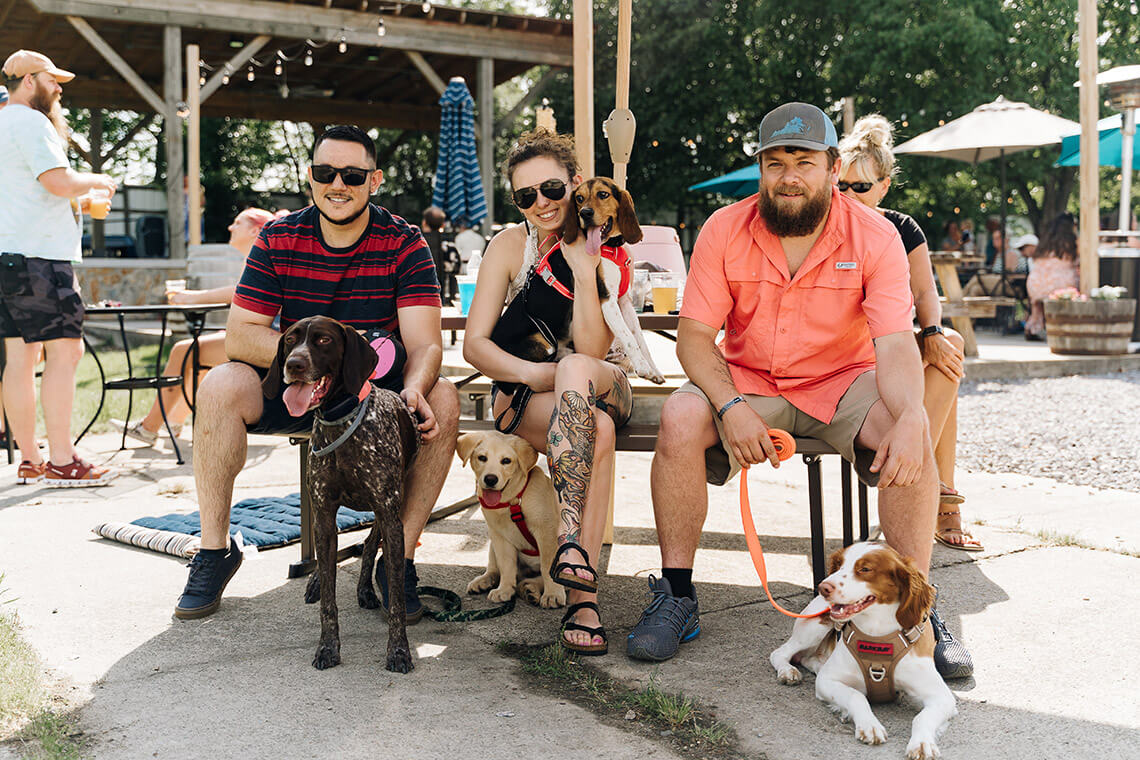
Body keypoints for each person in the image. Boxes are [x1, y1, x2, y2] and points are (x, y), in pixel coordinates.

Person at [629, 102, 973, 679]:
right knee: (681, 417)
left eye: (804, 162)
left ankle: (917, 611)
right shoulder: (722, 227)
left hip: (844, 383)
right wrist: (730, 405)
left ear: (833, 167)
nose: (789, 176)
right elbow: (692, 339)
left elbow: (893, 343)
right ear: (760, 169)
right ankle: (678, 596)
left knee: (906, 434)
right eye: (775, 162)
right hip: (750, 381)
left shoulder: (877, 235)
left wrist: (914, 415)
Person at [174, 125, 459, 620]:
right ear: (311, 177)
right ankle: (215, 551)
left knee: (447, 398)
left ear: (375, 180)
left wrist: (413, 389)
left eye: (352, 174)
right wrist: (303, 366)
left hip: (372, 396)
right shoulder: (279, 237)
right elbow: (242, 334)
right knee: (219, 383)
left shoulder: (405, 243)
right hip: (294, 386)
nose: (338, 184)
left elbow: (425, 343)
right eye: (326, 172)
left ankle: (398, 560)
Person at [463, 129, 633, 656]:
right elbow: (474, 345)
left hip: (600, 379)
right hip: (527, 392)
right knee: (595, 430)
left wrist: (585, 269)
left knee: (581, 377)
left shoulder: (605, 246)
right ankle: (582, 585)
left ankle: (574, 565)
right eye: (525, 195)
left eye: (552, 189)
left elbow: (590, 346)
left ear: (576, 184)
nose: (541, 203)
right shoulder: (508, 246)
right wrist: (537, 376)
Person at [837, 115, 981, 552]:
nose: (847, 196)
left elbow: (924, 290)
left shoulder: (901, 227)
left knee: (948, 347)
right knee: (945, 365)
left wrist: (933, 329)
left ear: (884, 185)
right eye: (840, 186)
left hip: (892, 347)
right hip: (850, 356)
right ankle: (935, 494)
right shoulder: (828, 226)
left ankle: (907, 476)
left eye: (859, 187)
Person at [0, 50, 118, 486]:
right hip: (39, 261)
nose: (60, 88)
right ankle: (64, 459)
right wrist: (97, 180)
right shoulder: (32, 123)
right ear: (29, 81)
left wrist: (77, 200)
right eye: (53, 80)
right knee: (66, 351)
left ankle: (31, 458)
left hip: (7, 257)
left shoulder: (1, 122)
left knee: (20, 357)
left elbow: (28, 192)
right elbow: (57, 181)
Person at [115, 208, 280, 444]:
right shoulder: (259, 254)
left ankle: (149, 427)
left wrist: (192, 297)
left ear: (255, 230)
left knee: (183, 350)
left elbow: (240, 293)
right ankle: (173, 422)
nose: (230, 228)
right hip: (258, 333)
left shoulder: (263, 253)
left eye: (237, 223)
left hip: (262, 337)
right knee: (199, 360)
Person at [1025, 213, 1079, 341]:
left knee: (1038, 303)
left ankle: (1034, 325)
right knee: (1077, 279)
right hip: (1059, 285)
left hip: (1035, 283)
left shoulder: (1045, 243)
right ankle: (1067, 326)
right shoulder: (1072, 243)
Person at [421, 206, 459, 304]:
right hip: (440, 299)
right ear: (442, 225)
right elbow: (454, 271)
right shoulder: (448, 247)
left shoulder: (415, 244)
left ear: (424, 223)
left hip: (418, 298)